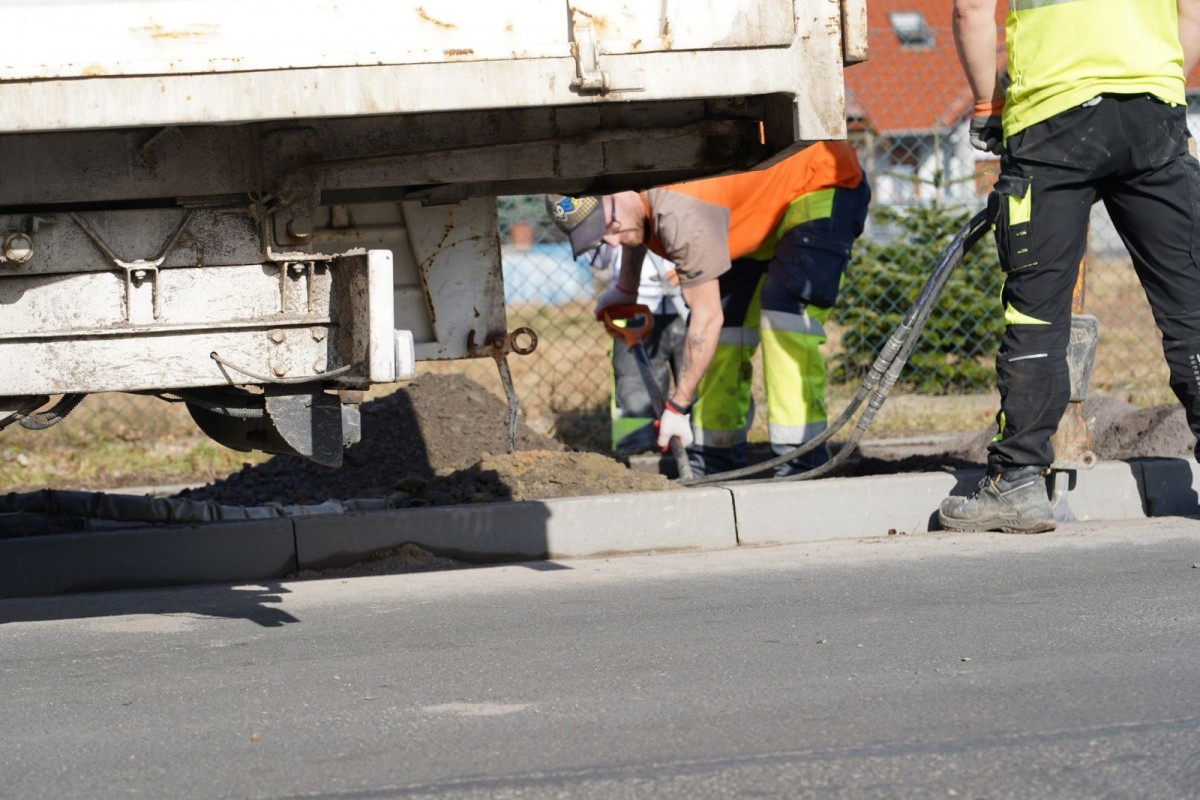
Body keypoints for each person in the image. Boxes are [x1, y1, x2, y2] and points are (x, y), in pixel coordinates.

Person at [939, 0, 1200, 533]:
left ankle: (1017, 481)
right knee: (1190, 301)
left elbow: (971, 10)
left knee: (1037, 313)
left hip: (1052, 119)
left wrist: (989, 103)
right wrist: (1158, 79)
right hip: (1153, 111)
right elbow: (1193, 15)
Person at [546, 142, 870, 476]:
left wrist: (678, 405)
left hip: (815, 176)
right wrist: (626, 289)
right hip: (752, 210)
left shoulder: (680, 215)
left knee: (784, 319)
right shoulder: (634, 200)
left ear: (618, 191)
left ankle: (801, 461)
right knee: (728, 335)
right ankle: (716, 458)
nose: (610, 242)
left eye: (608, 227)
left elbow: (706, 317)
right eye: (600, 237)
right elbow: (633, 227)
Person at [592, 243, 689, 453]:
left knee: (696, 385)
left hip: (689, 302)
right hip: (633, 303)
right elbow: (600, 259)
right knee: (633, 387)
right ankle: (636, 451)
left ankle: (698, 448)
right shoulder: (616, 213)